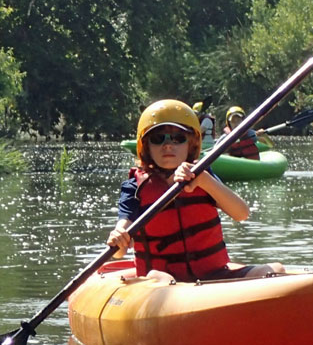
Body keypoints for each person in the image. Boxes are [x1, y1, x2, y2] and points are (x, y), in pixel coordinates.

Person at [106, 99, 282, 280]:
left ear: (191, 144)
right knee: (161, 278)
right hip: (160, 283)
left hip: (213, 275)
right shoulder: (134, 187)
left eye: (178, 138)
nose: (168, 145)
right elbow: (119, 251)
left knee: (275, 270)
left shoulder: (203, 175)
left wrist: (204, 180)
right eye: (158, 139)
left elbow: (242, 214)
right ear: (146, 147)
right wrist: (118, 236)